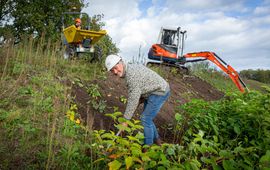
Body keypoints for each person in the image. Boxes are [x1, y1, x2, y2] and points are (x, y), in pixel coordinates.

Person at [105, 54, 170, 146]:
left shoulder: (132, 75)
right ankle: (158, 141)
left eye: (115, 68)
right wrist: (141, 96)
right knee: (147, 118)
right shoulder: (128, 70)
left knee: (145, 118)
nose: (115, 71)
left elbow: (133, 100)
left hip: (160, 91)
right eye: (112, 70)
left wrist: (125, 120)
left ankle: (148, 147)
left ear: (121, 62)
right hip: (151, 91)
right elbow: (140, 87)